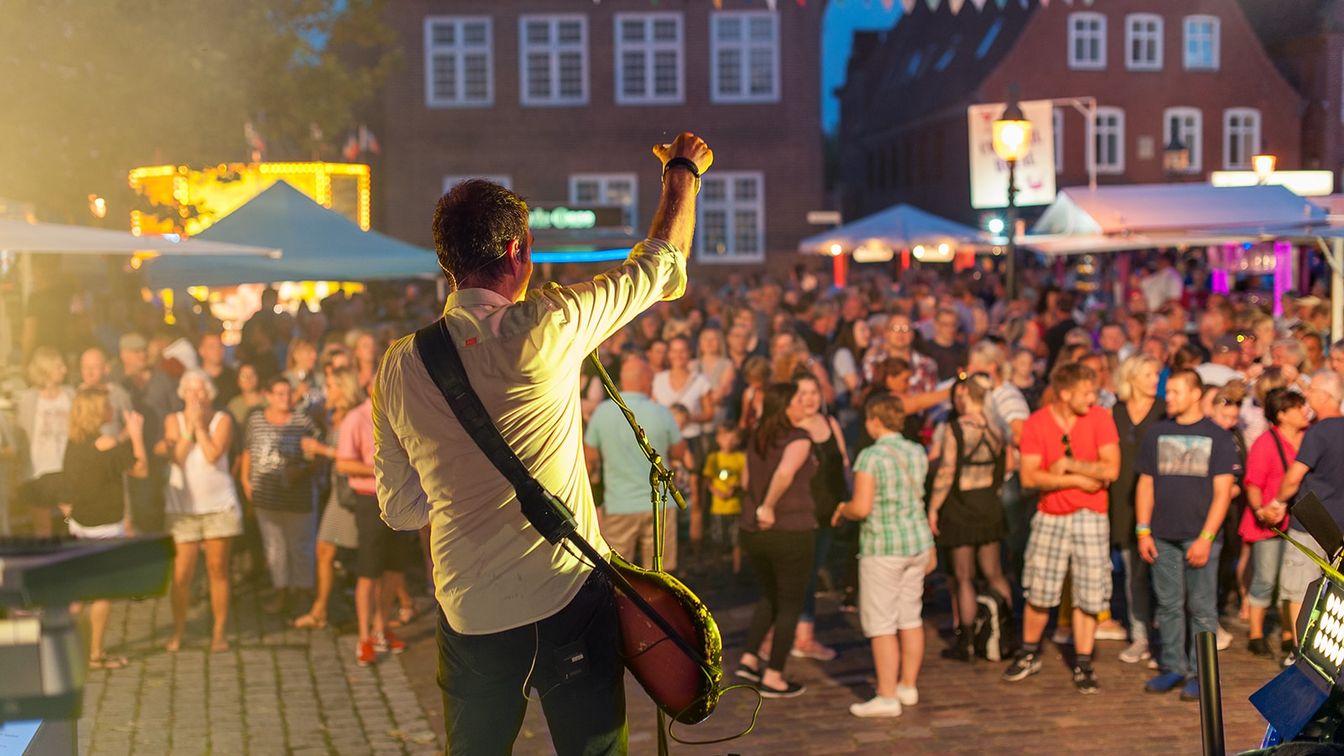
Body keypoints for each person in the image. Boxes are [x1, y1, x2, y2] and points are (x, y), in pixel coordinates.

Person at [375, 133, 712, 754]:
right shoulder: (550, 325)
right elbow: (662, 268)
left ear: (448, 262)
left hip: (470, 607)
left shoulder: (399, 366)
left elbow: (400, 510)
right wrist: (682, 173)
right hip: (566, 595)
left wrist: (463, 490)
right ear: (518, 250)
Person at [1004, 363, 1119, 695]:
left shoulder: (1100, 418)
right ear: (1065, 393)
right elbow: (1029, 477)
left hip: (1091, 515)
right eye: (1086, 393)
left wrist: (1068, 465)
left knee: (1089, 590)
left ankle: (1083, 661)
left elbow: (1111, 469)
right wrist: (1080, 480)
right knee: (1039, 587)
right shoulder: (1038, 423)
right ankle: (1029, 652)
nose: (1092, 398)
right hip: (1050, 515)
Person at [1137, 369, 1238, 700]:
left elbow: (1223, 493)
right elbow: (1146, 484)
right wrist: (1143, 530)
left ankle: (1201, 673)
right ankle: (1173, 667)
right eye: (1168, 391)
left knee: (1202, 608)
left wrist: (1206, 538)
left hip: (1200, 537)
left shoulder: (1217, 436)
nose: (1169, 397)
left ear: (1196, 394)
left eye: (1176, 391)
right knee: (1168, 605)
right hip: (1162, 535)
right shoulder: (1157, 433)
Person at [833, 395, 933, 718]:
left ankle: (887, 695)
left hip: (884, 547)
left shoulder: (870, 456)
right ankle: (908, 685)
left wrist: (843, 509)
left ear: (875, 421)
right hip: (916, 542)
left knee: (882, 623)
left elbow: (862, 507)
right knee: (910, 617)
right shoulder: (916, 451)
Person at [734, 382, 818, 699]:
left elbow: (745, 480)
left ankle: (749, 658)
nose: (803, 403)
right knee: (790, 603)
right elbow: (784, 472)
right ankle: (774, 676)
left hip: (752, 532)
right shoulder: (798, 438)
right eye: (798, 398)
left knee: (770, 594)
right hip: (788, 528)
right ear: (785, 406)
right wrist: (767, 505)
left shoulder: (757, 434)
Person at [60, 388, 148, 669]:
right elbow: (141, 469)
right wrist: (136, 435)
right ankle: (95, 654)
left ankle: (63, 649)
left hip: (80, 523)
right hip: (105, 525)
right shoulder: (106, 443)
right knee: (102, 592)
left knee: (77, 592)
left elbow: (104, 454)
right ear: (97, 411)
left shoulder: (75, 442)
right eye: (107, 406)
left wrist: (122, 436)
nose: (111, 409)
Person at [928, 373, 1013, 662]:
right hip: (988, 504)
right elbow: (1005, 465)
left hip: (960, 506)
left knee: (964, 576)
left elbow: (946, 471)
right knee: (994, 572)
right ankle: (1006, 634)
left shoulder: (957, 428)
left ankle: (965, 642)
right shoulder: (996, 427)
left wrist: (933, 508)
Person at [1268, 370, 1344, 665]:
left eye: (1311, 391)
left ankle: (1301, 653)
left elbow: (1294, 476)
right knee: (1337, 592)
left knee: (1300, 587)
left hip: (1311, 524)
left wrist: (1278, 502)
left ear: (1324, 396)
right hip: (1340, 526)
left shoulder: (1318, 432)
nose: (1307, 396)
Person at [163, 370, 242, 653]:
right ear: (183, 393)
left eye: (201, 390)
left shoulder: (223, 420)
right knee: (182, 574)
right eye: (190, 390)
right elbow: (177, 457)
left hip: (218, 506)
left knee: (217, 569)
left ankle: (219, 632)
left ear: (209, 394)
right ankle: (179, 631)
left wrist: (200, 428)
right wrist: (189, 428)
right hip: (182, 509)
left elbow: (212, 455)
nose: (195, 396)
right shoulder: (173, 420)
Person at [585, 355, 685, 571]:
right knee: (660, 573)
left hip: (619, 505)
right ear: (646, 381)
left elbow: (589, 458)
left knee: (618, 572)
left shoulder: (602, 412)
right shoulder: (661, 412)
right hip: (660, 506)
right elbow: (679, 452)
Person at [240, 375, 320, 615]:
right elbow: (248, 450)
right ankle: (281, 592)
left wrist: (302, 470)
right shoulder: (256, 420)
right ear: (268, 396)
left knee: (300, 546)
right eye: (279, 393)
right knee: (275, 547)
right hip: (266, 497)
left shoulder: (303, 421)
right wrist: (245, 480)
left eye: (288, 393)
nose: (285, 398)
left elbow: (317, 456)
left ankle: (302, 593)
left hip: (297, 498)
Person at [291, 365, 361, 631]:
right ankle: (320, 609)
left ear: (344, 389)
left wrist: (321, 449)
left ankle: (323, 610)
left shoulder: (356, 415)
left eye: (330, 386)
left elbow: (354, 456)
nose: (325, 391)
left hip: (350, 492)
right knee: (325, 550)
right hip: (336, 490)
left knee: (334, 551)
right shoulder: (335, 415)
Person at [1241, 388, 1307, 660]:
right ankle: (1256, 633)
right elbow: (1253, 483)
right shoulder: (1266, 442)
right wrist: (1260, 510)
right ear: (1282, 415)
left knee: (1290, 581)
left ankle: (1288, 633)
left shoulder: (1309, 437)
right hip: (1270, 520)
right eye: (1298, 408)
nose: (1304, 412)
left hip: (1299, 520)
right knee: (1266, 578)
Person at [1109, 354, 1164, 665]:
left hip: (1158, 499)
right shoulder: (1115, 411)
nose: (1155, 380)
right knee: (1133, 574)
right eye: (1148, 374)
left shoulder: (1163, 410)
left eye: (1156, 374)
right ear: (1131, 378)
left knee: (1162, 573)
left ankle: (1165, 640)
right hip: (1122, 500)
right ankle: (1140, 634)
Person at [791, 373, 849, 662]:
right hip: (799, 513)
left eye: (814, 392)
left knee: (811, 572)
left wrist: (847, 501)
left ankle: (800, 634)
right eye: (803, 393)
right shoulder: (790, 427)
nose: (810, 399)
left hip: (827, 511)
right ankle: (796, 635)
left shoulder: (830, 423)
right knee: (800, 573)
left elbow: (844, 463)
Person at [17, 347, 74, 537]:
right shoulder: (28, 399)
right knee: (42, 527)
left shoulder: (70, 394)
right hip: (38, 472)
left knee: (72, 520)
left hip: (66, 469)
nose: (64, 370)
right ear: (46, 369)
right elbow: (21, 434)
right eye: (59, 366)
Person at [702, 423, 746, 574]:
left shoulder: (741, 458)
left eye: (733, 439)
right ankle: (717, 569)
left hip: (735, 507)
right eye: (726, 438)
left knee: (737, 541)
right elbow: (707, 480)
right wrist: (717, 492)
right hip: (718, 508)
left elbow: (744, 480)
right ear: (718, 439)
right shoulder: (713, 458)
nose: (729, 442)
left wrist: (734, 488)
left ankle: (737, 570)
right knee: (717, 541)